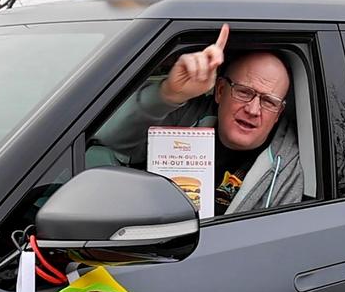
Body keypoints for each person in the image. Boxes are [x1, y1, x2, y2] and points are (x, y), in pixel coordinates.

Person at [88, 24, 302, 215]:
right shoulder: (185, 119)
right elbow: (109, 138)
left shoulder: (288, 169)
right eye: (244, 92)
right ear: (220, 91)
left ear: (278, 113)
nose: (254, 110)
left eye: (269, 101)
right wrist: (168, 95)